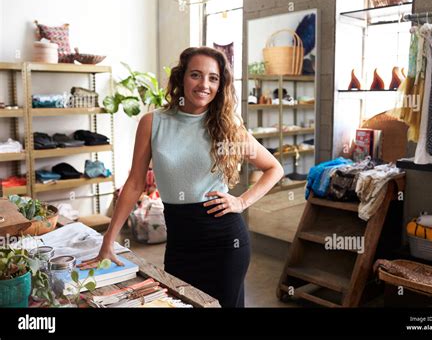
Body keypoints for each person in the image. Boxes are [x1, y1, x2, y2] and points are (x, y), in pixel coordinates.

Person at [78, 46, 284, 307]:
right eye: (195, 75)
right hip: (179, 241)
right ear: (181, 77)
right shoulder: (153, 122)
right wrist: (108, 240)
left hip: (224, 241)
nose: (204, 84)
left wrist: (241, 202)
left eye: (213, 78)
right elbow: (134, 184)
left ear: (221, 85)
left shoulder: (227, 125)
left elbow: (274, 168)